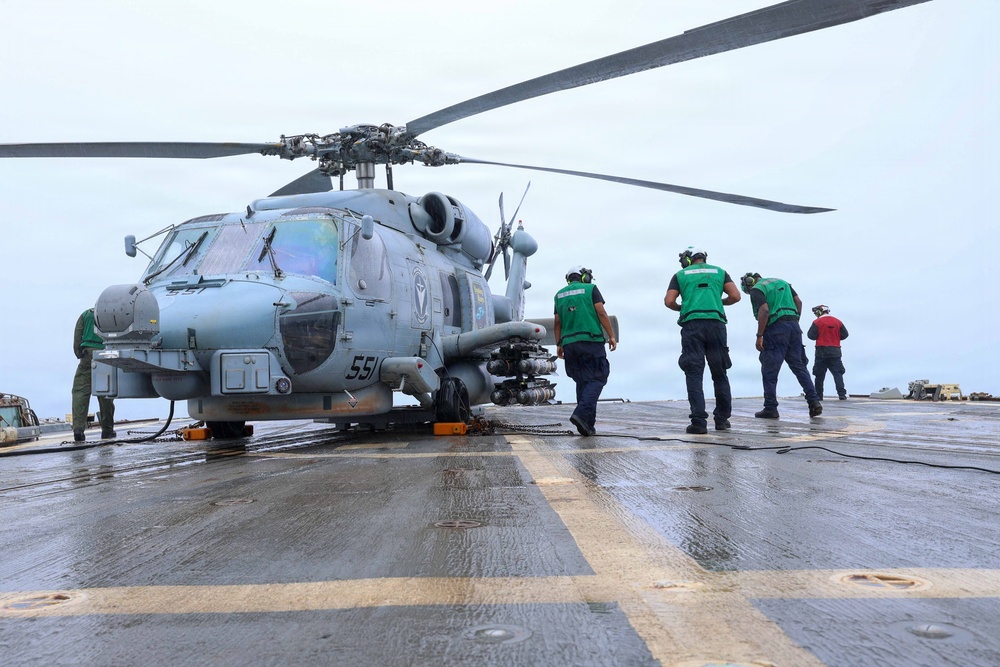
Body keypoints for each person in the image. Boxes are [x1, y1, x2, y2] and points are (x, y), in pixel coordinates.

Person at [664, 246, 741, 434]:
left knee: (694, 373)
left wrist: (684, 306)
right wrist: (717, 301)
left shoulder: (680, 275)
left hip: (692, 327)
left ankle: (699, 422)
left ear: (688, 259)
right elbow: (735, 296)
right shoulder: (720, 272)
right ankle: (722, 420)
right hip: (716, 325)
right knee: (720, 373)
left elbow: (669, 301)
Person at [740, 273, 822, 419]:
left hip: (775, 329)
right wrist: (794, 320)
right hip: (794, 327)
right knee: (799, 367)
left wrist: (760, 335)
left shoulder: (757, 289)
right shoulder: (782, 282)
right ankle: (814, 402)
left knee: (769, 371)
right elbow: (799, 302)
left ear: (749, 284)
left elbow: (764, 310)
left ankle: (770, 408)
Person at [554, 265, 617, 436]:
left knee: (582, 381)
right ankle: (581, 413)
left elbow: (558, 323)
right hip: (591, 341)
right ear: (584, 277)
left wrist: (558, 344)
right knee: (598, 377)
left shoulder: (559, 295)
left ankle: (587, 425)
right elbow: (601, 313)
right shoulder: (591, 289)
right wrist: (611, 336)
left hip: (569, 344)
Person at [72, 307, 116, 442]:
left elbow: (77, 336)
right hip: (105, 354)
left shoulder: (86, 314)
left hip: (87, 354)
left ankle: (78, 430)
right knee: (106, 393)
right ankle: (107, 430)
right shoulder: (113, 313)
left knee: (80, 392)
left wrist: (79, 353)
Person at [808, 304, 849, 400]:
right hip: (835, 350)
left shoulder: (817, 322)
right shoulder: (838, 321)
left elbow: (811, 336)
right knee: (838, 373)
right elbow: (845, 334)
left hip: (821, 351)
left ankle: (819, 395)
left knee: (819, 375)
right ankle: (842, 394)